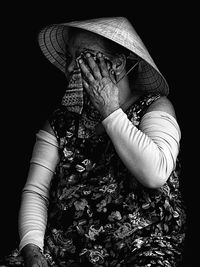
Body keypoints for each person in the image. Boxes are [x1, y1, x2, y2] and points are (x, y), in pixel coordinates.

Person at [1, 16, 186, 266]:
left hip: (140, 249)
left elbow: (155, 173)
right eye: (69, 58)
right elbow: (37, 191)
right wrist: (32, 248)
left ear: (117, 64)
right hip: (66, 251)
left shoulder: (153, 106)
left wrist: (109, 109)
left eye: (82, 56)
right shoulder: (60, 123)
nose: (69, 68)